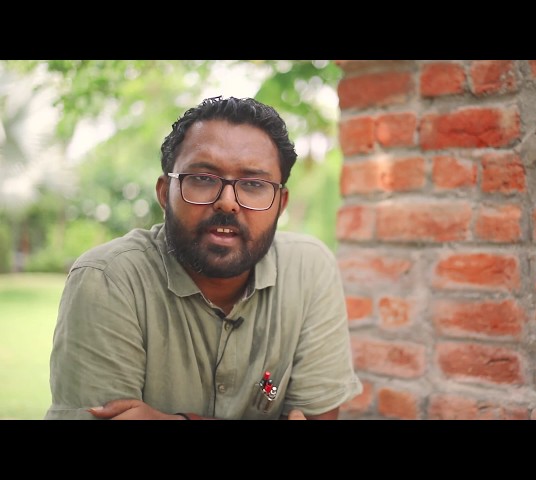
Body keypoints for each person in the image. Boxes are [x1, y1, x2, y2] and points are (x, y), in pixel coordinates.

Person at [44, 95, 363, 420]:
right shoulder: (108, 279)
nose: (228, 202)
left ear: (280, 205)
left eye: (254, 184)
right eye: (203, 179)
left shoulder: (308, 270)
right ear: (164, 193)